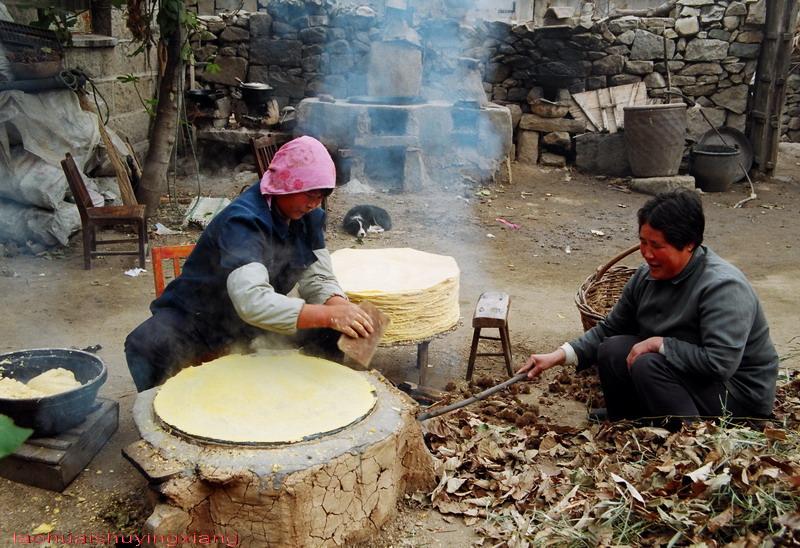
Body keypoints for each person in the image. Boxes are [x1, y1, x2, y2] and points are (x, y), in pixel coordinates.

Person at [125, 136, 374, 392]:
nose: (314, 204)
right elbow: (252, 301)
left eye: (321, 196)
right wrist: (328, 314)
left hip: (246, 324)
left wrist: (339, 306)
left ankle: (317, 395)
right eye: (310, 194)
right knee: (146, 345)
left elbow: (318, 278)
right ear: (284, 184)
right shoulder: (243, 222)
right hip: (199, 319)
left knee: (331, 328)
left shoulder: (309, 217)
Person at [518, 190, 778, 423]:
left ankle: (685, 432)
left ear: (689, 244)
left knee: (648, 363)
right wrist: (558, 356)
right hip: (691, 376)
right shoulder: (645, 277)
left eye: (657, 246)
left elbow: (719, 363)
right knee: (612, 348)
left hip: (736, 395)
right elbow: (609, 329)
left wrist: (659, 344)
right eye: (643, 242)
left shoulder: (723, 288)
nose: (647, 253)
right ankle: (627, 420)